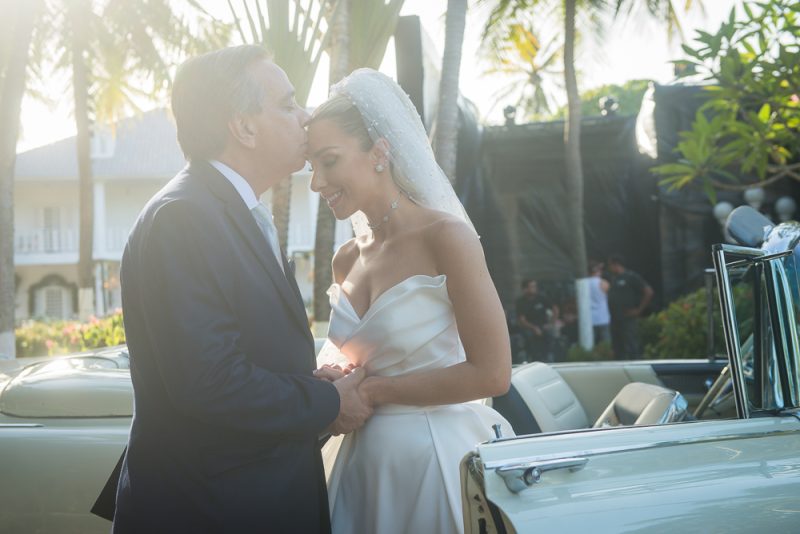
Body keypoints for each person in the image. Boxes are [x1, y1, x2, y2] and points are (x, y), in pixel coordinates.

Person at [111, 46, 371, 533]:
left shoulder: (226, 209)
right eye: (288, 104)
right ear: (243, 127)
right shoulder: (185, 217)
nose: (306, 116)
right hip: (212, 510)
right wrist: (329, 405)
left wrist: (308, 382)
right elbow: (208, 381)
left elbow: (236, 353)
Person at [306, 68, 513, 534]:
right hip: (360, 467)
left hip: (433, 465)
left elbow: (493, 373)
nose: (317, 182)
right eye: (311, 166)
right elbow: (357, 360)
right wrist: (335, 380)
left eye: (330, 160)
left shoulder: (447, 238)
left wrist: (375, 391)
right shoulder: (345, 260)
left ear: (379, 152)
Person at [607, 254, 653, 359]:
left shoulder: (631, 277)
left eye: (610, 265)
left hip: (627, 318)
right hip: (615, 320)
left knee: (632, 346)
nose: (609, 268)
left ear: (616, 265)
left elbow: (648, 292)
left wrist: (639, 310)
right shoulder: (613, 279)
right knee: (618, 349)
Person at [515, 279, 558, 362]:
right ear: (525, 289)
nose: (534, 288)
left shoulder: (541, 298)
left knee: (551, 334)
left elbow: (555, 309)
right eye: (532, 286)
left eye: (535, 286)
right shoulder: (521, 302)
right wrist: (534, 328)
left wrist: (551, 323)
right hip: (529, 327)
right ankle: (534, 359)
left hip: (544, 325)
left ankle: (550, 358)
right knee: (530, 337)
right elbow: (522, 320)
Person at [589, 259, 611, 343]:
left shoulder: (583, 283)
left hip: (589, 318)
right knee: (606, 343)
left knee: (590, 343)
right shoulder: (604, 283)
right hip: (603, 317)